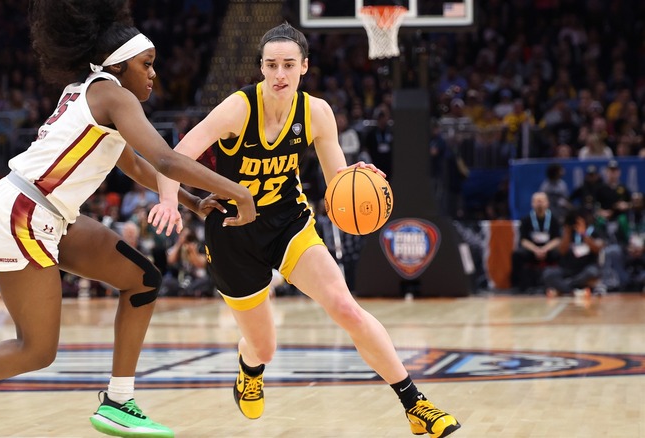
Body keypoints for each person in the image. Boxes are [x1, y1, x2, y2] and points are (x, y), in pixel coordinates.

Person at [0, 2, 256, 438]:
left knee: (143, 279)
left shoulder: (95, 92)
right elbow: (164, 158)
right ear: (120, 66)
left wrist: (195, 204)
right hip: (22, 212)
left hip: (48, 212)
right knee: (37, 350)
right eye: (147, 64)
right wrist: (238, 190)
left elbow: (140, 167)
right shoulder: (111, 94)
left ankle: (119, 400)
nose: (153, 74)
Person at [149, 22, 460, 437]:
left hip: (288, 223)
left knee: (346, 307)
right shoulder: (238, 108)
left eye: (289, 65)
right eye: (272, 65)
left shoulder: (316, 112)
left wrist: (355, 179)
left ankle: (415, 404)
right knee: (264, 347)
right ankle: (249, 367)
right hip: (232, 234)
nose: (280, 74)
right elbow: (176, 157)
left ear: (304, 67)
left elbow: (336, 186)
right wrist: (169, 199)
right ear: (261, 67)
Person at [510, 192, 561, 292]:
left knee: (561, 254)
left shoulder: (554, 219)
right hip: (532, 250)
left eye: (541, 201)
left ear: (547, 203)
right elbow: (523, 240)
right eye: (537, 201)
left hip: (548, 249)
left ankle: (558, 284)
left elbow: (557, 239)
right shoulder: (526, 220)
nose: (539, 204)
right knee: (517, 255)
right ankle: (520, 286)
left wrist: (545, 249)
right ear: (532, 204)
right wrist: (536, 250)